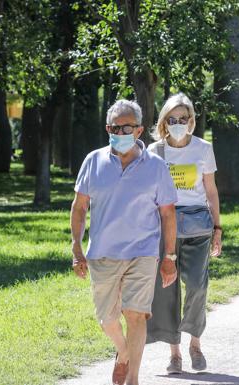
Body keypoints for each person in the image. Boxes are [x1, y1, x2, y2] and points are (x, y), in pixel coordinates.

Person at [71, 99, 178, 385]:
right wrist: (76, 247)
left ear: (139, 130)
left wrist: (169, 257)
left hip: (142, 253)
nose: (119, 132)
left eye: (126, 127)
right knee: (107, 319)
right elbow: (79, 207)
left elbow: (168, 214)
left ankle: (133, 379)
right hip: (102, 254)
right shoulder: (93, 161)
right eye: (113, 127)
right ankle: (123, 353)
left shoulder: (156, 167)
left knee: (136, 315)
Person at [146, 93, 223, 374]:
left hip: (198, 228)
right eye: (172, 119)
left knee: (197, 284)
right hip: (164, 227)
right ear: (165, 121)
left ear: (191, 120)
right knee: (167, 289)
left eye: (183, 118)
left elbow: (211, 192)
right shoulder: (154, 151)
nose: (178, 123)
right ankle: (175, 353)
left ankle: (195, 343)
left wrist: (218, 228)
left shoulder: (203, 149)